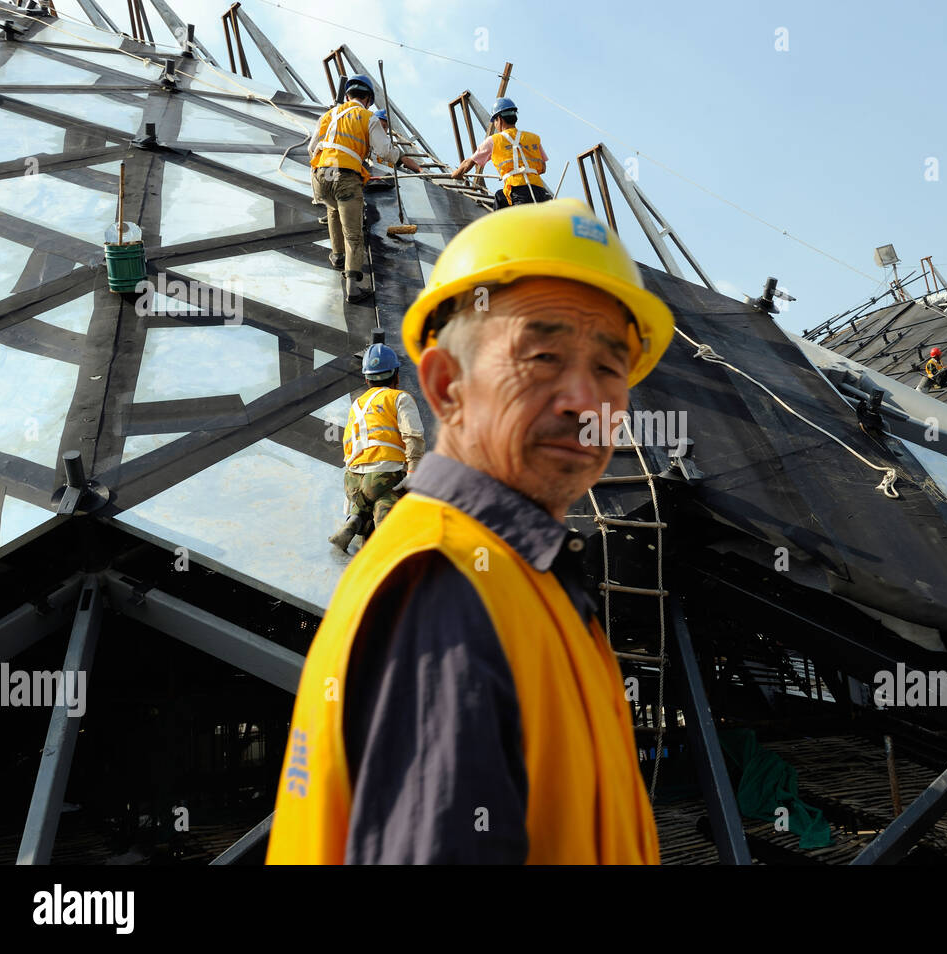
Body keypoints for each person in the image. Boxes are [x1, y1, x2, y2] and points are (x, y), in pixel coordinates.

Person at [268, 199, 670, 864]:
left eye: (609, 368)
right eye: (542, 355)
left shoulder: (529, 580)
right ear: (446, 386)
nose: (584, 399)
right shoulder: (448, 592)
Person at [309, 75, 423, 302]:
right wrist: (403, 161)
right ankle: (352, 288)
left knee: (332, 208)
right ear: (368, 99)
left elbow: (312, 148)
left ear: (348, 95)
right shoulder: (367, 117)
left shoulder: (329, 115)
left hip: (320, 177)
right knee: (354, 234)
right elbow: (385, 151)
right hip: (346, 178)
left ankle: (337, 256)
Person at [328, 343, 426, 552]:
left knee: (366, 497)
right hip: (385, 474)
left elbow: (348, 445)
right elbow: (413, 435)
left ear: (366, 378)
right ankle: (384, 530)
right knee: (388, 498)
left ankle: (354, 518)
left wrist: (351, 498)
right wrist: (413, 470)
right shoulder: (400, 398)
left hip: (352, 479)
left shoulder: (357, 405)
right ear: (396, 375)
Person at [449, 97, 552, 210]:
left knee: (505, 214)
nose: (495, 124)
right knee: (500, 196)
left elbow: (469, 162)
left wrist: (456, 174)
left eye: (494, 121)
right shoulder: (533, 138)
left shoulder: (494, 140)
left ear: (499, 119)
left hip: (518, 192)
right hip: (540, 192)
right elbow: (543, 168)